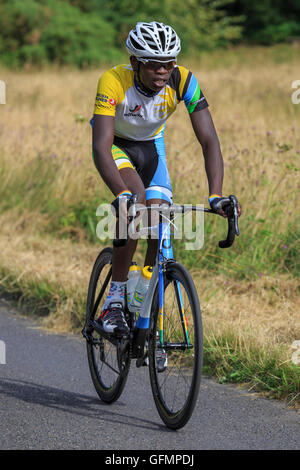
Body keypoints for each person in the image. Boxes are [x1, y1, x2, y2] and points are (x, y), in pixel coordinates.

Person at [91, 21, 241, 335]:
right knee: (137, 202)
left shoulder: (183, 79)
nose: (163, 71)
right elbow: (101, 145)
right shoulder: (113, 81)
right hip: (116, 145)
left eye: (169, 63)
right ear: (135, 62)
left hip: (151, 147)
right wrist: (121, 194)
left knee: (159, 219)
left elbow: (209, 139)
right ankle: (115, 300)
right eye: (154, 65)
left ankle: (144, 289)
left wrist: (215, 194)